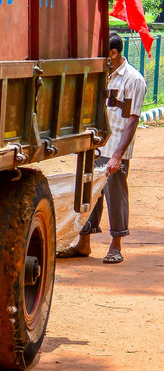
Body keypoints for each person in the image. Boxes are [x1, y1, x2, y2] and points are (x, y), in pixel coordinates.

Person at [64, 34, 146, 264]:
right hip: (95, 146)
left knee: (115, 196)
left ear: (113, 53)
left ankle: (116, 245)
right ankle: (84, 243)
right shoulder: (101, 75)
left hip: (115, 147)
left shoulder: (133, 80)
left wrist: (118, 155)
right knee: (89, 195)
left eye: (102, 54)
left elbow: (133, 120)